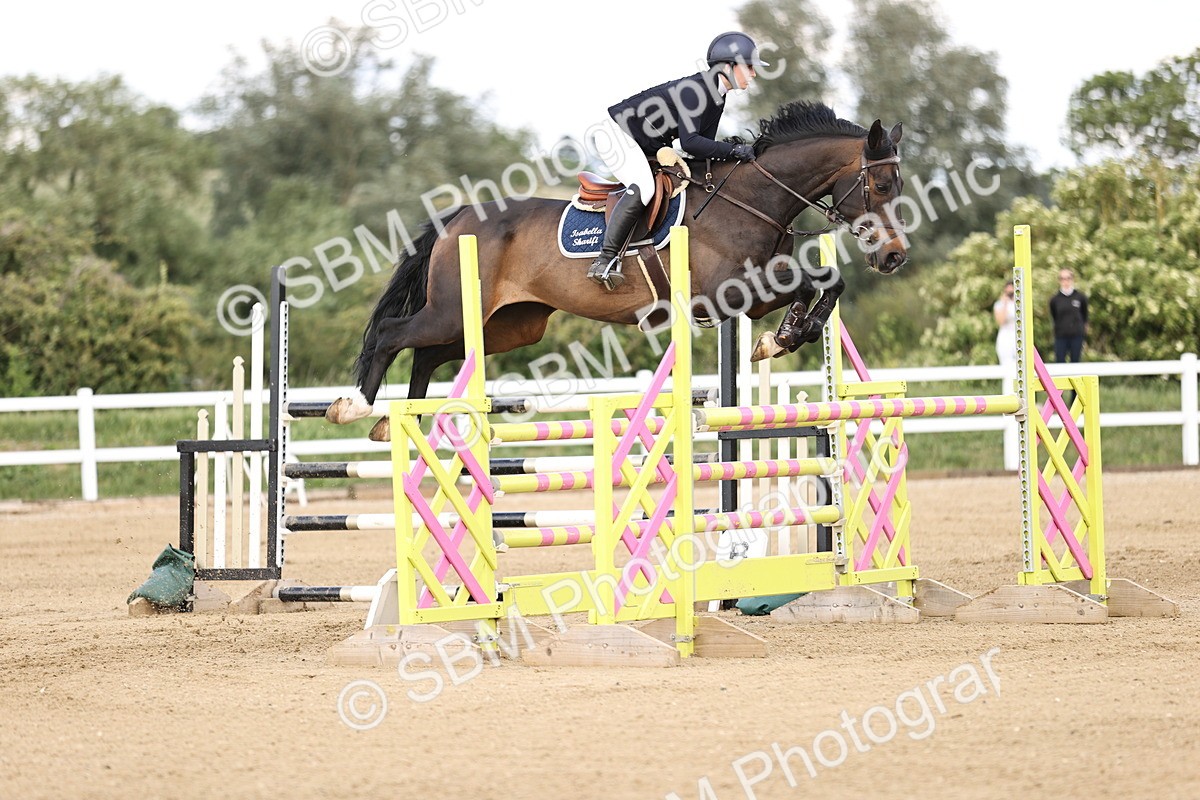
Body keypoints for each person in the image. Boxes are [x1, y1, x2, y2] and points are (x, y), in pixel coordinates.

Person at [587, 31, 767, 290]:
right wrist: (733, 151)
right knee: (645, 186)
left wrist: (732, 150)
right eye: (749, 67)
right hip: (618, 135)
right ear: (728, 67)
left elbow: (701, 149)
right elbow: (690, 142)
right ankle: (604, 259)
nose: (754, 73)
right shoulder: (697, 91)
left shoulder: (717, 94)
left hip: (646, 143)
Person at [1049, 269, 1089, 362]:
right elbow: (1054, 316)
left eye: (1068, 278)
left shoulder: (1080, 297)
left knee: (1075, 361)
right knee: (1059, 361)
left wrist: (1083, 330)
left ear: (1072, 279)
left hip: (1076, 335)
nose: (1065, 281)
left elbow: (1085, 315)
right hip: (1061, 335)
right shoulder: (1055, 299)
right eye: (1062, 279)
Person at [993, 280, 1017, 367]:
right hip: (1005, 337)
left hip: (1017, 335)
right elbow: (1000, 321)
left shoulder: (1020, 304)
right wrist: (1005, 304)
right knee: (1006, 364)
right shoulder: (999, 304)